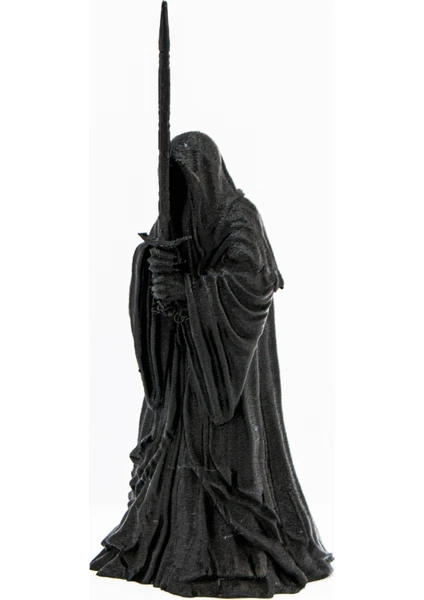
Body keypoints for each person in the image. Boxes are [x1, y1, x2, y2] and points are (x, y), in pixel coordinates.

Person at [90, 131, 334, 597]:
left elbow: (254, 282)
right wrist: (152, 266)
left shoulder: (239, 217)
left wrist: (190, 290)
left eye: (185, 178)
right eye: (172, 179)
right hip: (184, 367)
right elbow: (157, 264)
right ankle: (174, 543)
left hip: (227, 367)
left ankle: (237, 547)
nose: (180, 189)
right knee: (173, 446)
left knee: (229, 447)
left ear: (206, 174)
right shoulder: (173, 216)